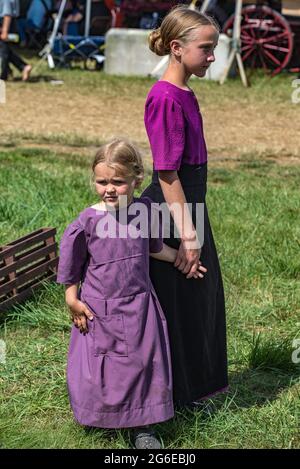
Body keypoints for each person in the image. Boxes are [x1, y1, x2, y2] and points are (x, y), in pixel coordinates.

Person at [56, 139, 207, 448]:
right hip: (100, 309)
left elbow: (152, 248)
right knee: (107, 367)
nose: (109, 188)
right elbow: (71, 265)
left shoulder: (143, 210)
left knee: (143, 364)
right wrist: (72, 299)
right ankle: (106, 417)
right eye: (102, 182)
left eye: (118, 182)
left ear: (137, 179)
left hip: (140, 306)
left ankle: (143, 428)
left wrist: (183, 260)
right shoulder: (88, 222)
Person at [142, 5, 228, 407]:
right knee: (179, 303)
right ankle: (169, 395)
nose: (212, 56)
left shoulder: (184, 92)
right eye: (206, 48)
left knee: (201, 299)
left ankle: (195, 389)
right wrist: (188, 236)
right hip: (172, 213)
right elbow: (167, 174)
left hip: (191, 206)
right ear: (177, 48)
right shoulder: (163, 98)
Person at [0, 0, 32, 80]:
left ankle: (4, 74)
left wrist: (5, 31)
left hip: (6, 25)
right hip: (6, 24)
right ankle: (20, 68)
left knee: (4, 51)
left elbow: (7, 14)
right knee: (5, 50)